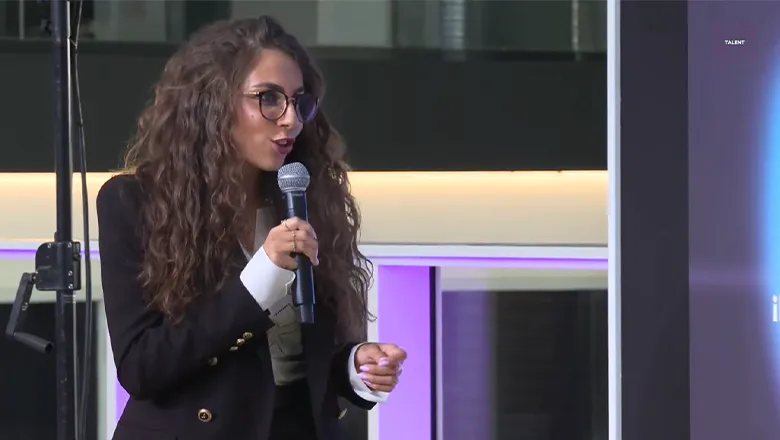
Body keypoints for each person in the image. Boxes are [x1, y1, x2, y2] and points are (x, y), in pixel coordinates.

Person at [96, 15, 406, 440]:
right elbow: (142, 367)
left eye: (299, 101)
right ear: (212, 102)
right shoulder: (135, 202)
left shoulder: (305, 195)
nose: (291, 120)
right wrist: (261, 279)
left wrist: (355, 367)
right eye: (268, 98)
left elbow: (305, 355)